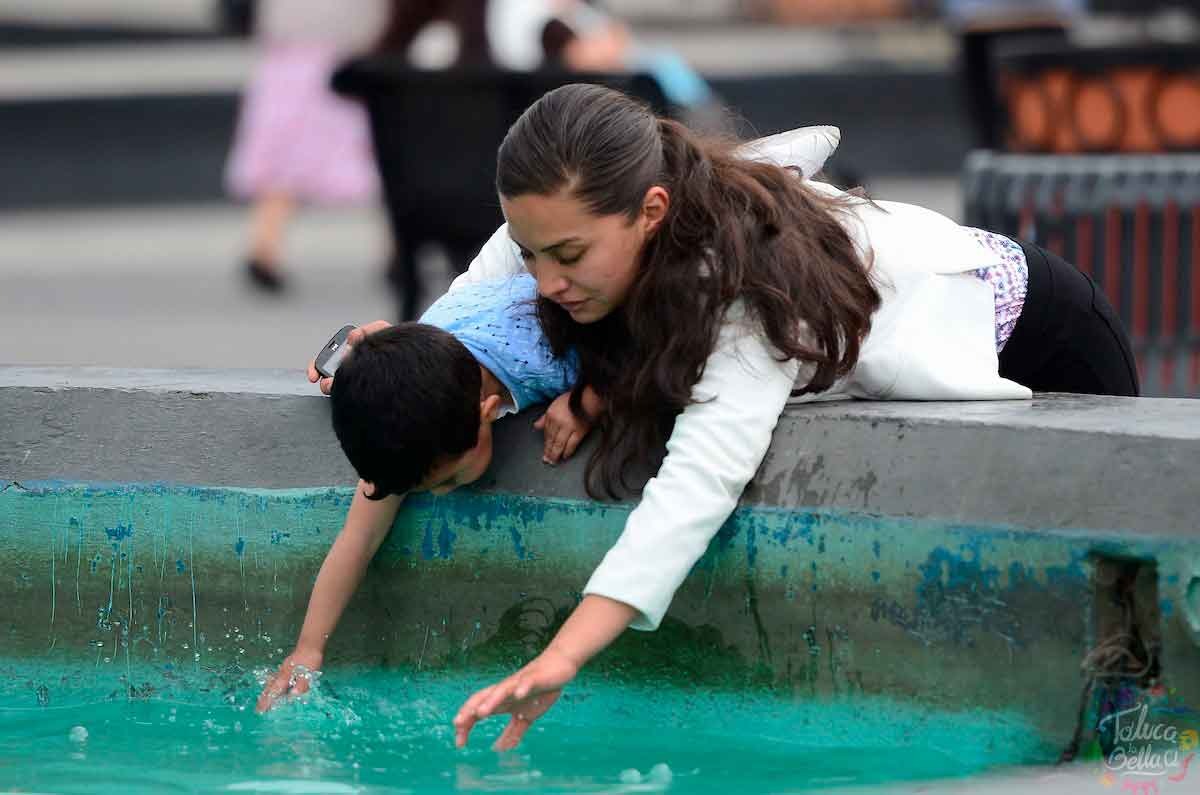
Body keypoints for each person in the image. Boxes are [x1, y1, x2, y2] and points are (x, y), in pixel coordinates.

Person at [256, 273, 599, 711]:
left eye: (447, 481)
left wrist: (589, 400)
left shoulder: (550, 362)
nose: (439, 496)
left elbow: (651, 355)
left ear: (487, 413)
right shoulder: (416, 405)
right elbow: (358, 540)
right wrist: (308, 650)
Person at [225, 0, 388, 292]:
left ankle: (264, 247)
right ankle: (396, 253)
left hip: (291, 52)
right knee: (380, 156)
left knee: (284, 158)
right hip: (350, 52)